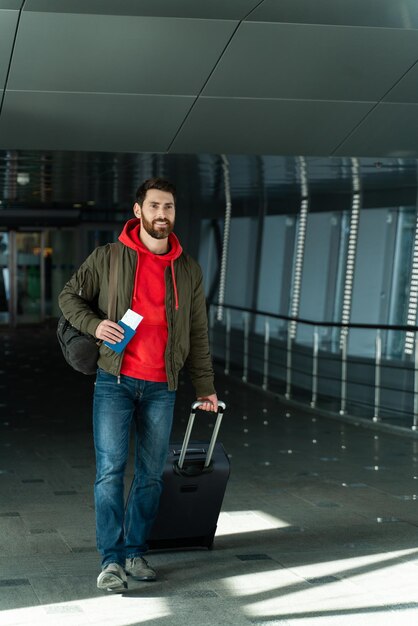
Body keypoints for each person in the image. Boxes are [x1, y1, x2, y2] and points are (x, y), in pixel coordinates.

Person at [58, 178, 218, 592]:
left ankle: (135, 551)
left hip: (162, 386)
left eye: (168, 207)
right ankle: (111, 561)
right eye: (154, 207)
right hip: (114, 380)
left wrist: (206, 387)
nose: (162, 215)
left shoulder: (188, 269)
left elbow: (198, 332)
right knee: (109, 472)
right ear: (138, 211)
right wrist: (96, 324)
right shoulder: (109, 257)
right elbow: (69, 298)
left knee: (149, 475)